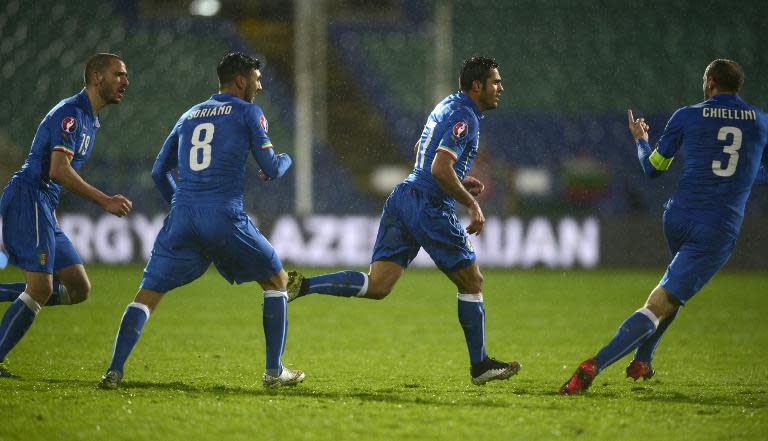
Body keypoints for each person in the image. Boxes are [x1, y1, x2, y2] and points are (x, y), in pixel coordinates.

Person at [286, 56, 520, 385]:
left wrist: (459, 180)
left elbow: (421, 150)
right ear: (477, 86)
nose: (501, 88)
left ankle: (304, 285)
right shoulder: (466, 115)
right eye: (495, 82)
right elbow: (439, 168)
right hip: (428, 204)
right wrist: (471, 204)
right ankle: (480, 365)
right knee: (472, 282)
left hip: (403, 197)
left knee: (378, 285)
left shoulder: (447, 105)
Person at [561, 59, 768, 394]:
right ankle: (594, 365)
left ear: (710, 82)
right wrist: (740, 178)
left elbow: (653, 168)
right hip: (716, 229)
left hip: (678, 217)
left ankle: (644, 359)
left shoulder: (687, 115)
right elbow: (758, 172)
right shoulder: (761, 122)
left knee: (673, 292)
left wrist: (641, 140)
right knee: (664, 299)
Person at [97, 51, 299, 389]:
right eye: (256, 78)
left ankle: (114, 371)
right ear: (240, 80)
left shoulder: (189, 115)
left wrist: (180, 203)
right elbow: (272, 169)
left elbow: (159, 171)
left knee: (146, 295)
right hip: (224, 215)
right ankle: (274, 373)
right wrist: (287, 158)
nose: (260, 86)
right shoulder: (249, 112)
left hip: (182, 216)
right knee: (277, 281)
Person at [0, 53, 133, 377]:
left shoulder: (90, 120)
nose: (125, 82)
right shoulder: (71, 115)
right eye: (118, 75)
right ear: (97, 78)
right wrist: (104, 200)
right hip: (29, 198)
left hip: (43, 204)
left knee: (77, 288)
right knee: (41, 288)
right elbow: (57, 170)